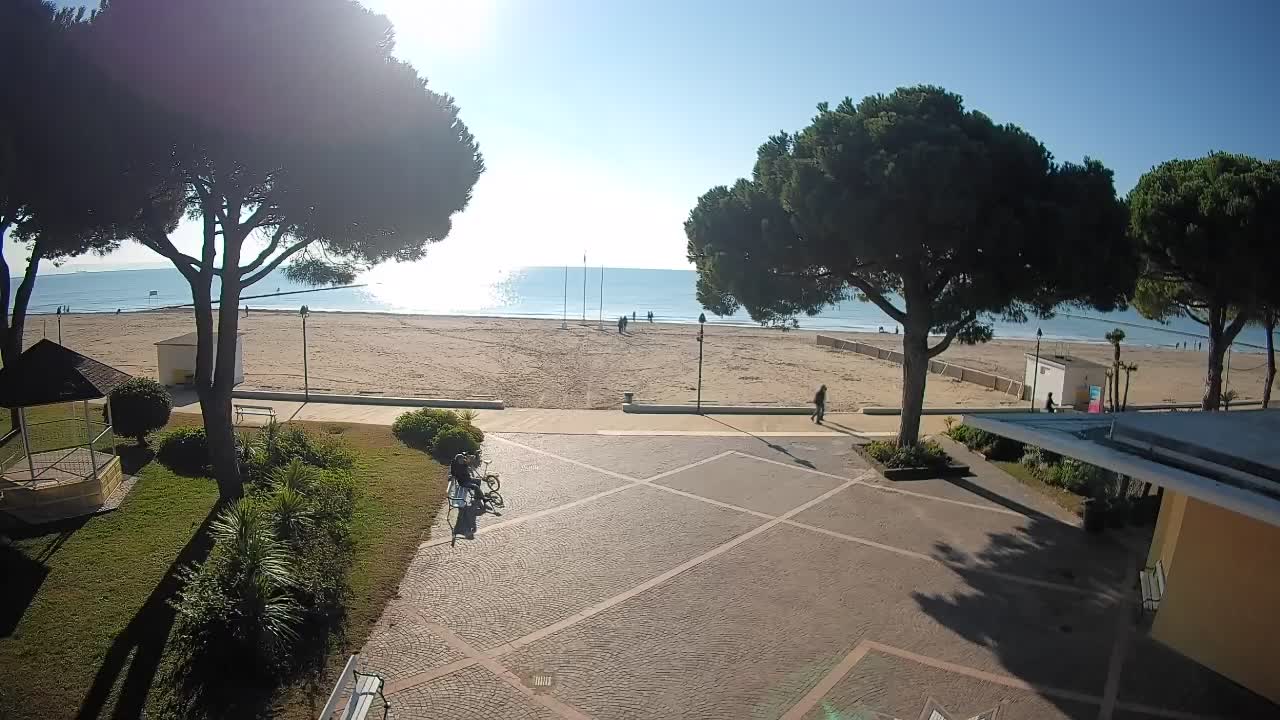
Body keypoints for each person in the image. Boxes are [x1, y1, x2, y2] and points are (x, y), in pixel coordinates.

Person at [450, 452, 487, 539]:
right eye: (461, 459)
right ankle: (483, 498)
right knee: (475, 486)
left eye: (463, 459)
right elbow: (454, 473)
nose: (462, 460)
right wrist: (451, 476)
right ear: (457, 460)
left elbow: (468, 468)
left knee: (478, 481)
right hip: (463, 483)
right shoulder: (456, 467)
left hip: (467, 479)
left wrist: (467, 462)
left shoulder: (463, 464)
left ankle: (477, 497)